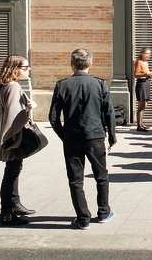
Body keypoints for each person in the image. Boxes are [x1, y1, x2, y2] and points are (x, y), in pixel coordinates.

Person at [49, 48, 117, 229]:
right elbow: (109, 113)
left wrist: (64, 135)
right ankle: (103, 212)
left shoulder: (62, 85)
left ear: (72, 64)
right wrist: (112, 136)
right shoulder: (100, 84)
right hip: (95, 136)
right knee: (101, 176)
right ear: (91, 63)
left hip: (72, 137)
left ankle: (83, 217)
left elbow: (53, 118)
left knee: (75, 179)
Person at [0, 55, 37, 226]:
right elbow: (13, 115)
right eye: (25, 67)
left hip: (10, 136)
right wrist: (29, 109)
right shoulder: (12, 87)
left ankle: (15, 204)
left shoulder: (7, 85)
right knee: (11, 173)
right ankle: (7, 212)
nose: (28, 70)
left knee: (13, 170)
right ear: (15, 69)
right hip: (14, 137)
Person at [133, 48, 152, 132]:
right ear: (142, 53)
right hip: (141, 84)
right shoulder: (139, 62)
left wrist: (150, 75)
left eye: (149, 54)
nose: (148, 55)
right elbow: (136, 74)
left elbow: (145, 74)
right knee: (141, 105)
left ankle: (141, 123)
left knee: (144, 105)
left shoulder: (146, 63)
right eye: (147, 53)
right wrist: (147, 74)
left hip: (146, 83)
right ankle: (139, 126)